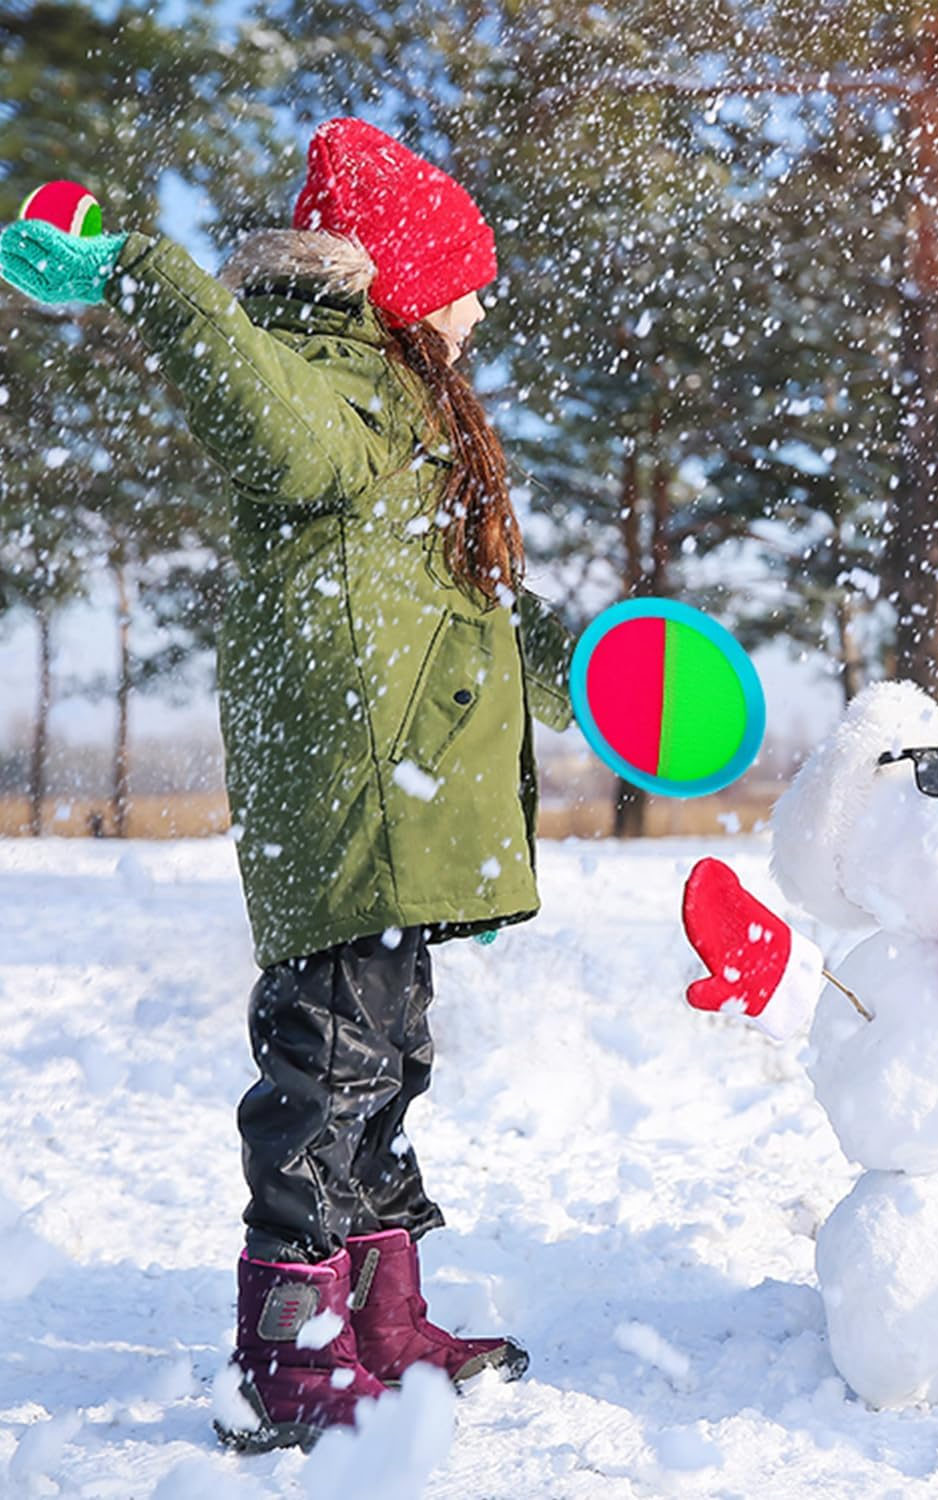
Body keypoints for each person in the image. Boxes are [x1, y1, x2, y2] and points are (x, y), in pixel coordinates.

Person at [0, 118, 576, 1447]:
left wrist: (596, 668)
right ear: (402, 289)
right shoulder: (329, 391)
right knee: (324, 1079)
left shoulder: (409, 418)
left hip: (406, 805)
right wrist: (144, 267)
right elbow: (259, 412)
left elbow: (480, 612)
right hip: (350, 798)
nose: (479, 314)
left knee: (386, 1067)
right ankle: (287, 1349)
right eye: (466, 288)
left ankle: (381, 1316)